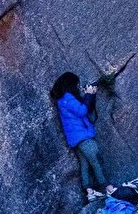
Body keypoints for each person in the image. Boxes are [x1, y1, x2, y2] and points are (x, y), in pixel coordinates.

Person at [49, 71, 115, 203]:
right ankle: (108, 188)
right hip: (82, 136)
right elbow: (82, 111)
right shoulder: (67, 97)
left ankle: (90, 192)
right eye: (76, 84)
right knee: (96, 161)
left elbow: (86, 110)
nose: (77, 86)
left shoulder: (64, 99)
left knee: (85, 164)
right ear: (70, 84)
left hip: (77, 138)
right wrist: (88, 95)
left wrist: (91, 95)